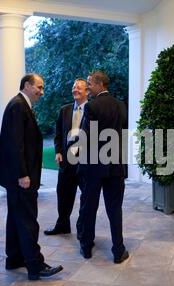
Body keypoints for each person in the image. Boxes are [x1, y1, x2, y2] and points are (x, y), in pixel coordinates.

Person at [0, 73, 63, 281]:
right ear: (26, 85)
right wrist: (23, 173)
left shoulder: (20, 105)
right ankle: (35, 265)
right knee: (28, 220)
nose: (42, 92)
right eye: (39, 87)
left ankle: (14, 258)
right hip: (20, 177)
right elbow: (16, 144)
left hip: (17, 175)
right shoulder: (18, 106)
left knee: (16, 218)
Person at [77, 71, 129, 263]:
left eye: (89, 83)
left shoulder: (91, 106)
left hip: (94, 166)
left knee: (89, 207)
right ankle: (118, 250)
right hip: (115, 165)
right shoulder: (121, 105)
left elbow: (86, 137)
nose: (88, 87)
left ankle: (86, 247)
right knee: (115, 209)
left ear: (99, 84)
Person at [44, 78, 88, 236]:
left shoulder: (92, 109)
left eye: (79, 88)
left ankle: (84, 229)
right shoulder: (65, 110)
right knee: (63, 194)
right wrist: (58, 152)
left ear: (87, 91)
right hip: (66, 161)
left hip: (85, 162)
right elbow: (58, 134)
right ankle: (62, 224)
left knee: (88, 196)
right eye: (73, 87)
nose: (75, 90)